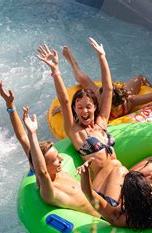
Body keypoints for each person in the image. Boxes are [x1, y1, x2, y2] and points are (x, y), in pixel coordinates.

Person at [37, 38, 126, 204]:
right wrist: (55, 70)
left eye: (88, 107)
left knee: (150, 165)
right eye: (79, 107)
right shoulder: (75, 131)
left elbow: (107, 89)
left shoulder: (101, 123)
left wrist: (102, 57)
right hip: (102, 187)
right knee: (117, 166)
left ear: (94, 107)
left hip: (119, 178)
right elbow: (64, 101)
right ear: (75, 109)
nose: (84, 111)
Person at [0, 81, 100, 217]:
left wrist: (10, 106)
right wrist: (32, 134)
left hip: (105, 204)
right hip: (102, 220)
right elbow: (41, 172)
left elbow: (22, 138)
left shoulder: (58, 173)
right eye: (56, 160)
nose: (61, 159)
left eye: (58, 156)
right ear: (44, 165)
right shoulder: (50, 190)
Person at [60, 46, 152, 120]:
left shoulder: (129, 101)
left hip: (122, 94)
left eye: (99, 98)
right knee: (84, 80)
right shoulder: (98, 103)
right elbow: (81, 109)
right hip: (117, 94)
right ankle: (71, 60)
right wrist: (66, 107)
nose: (97, 98)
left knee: (140, 78)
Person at [77, 159, 152, 230]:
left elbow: (88, 193)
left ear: (123, 196)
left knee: (119, 168)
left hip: (108, 208)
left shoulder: (117, 216)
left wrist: (85, 174)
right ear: (149, 192)